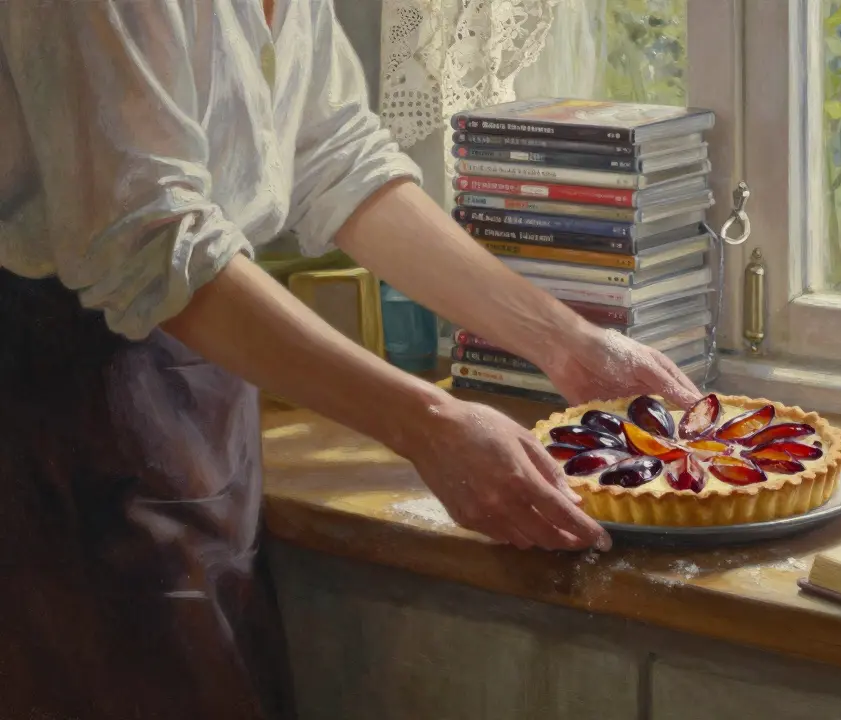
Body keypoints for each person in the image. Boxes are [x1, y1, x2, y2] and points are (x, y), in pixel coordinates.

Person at [0, 1, 702, 718]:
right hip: (55, 424)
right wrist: (428, 423)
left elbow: (337, 158)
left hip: (206, 393)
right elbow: (151, 242)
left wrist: (567, 343)